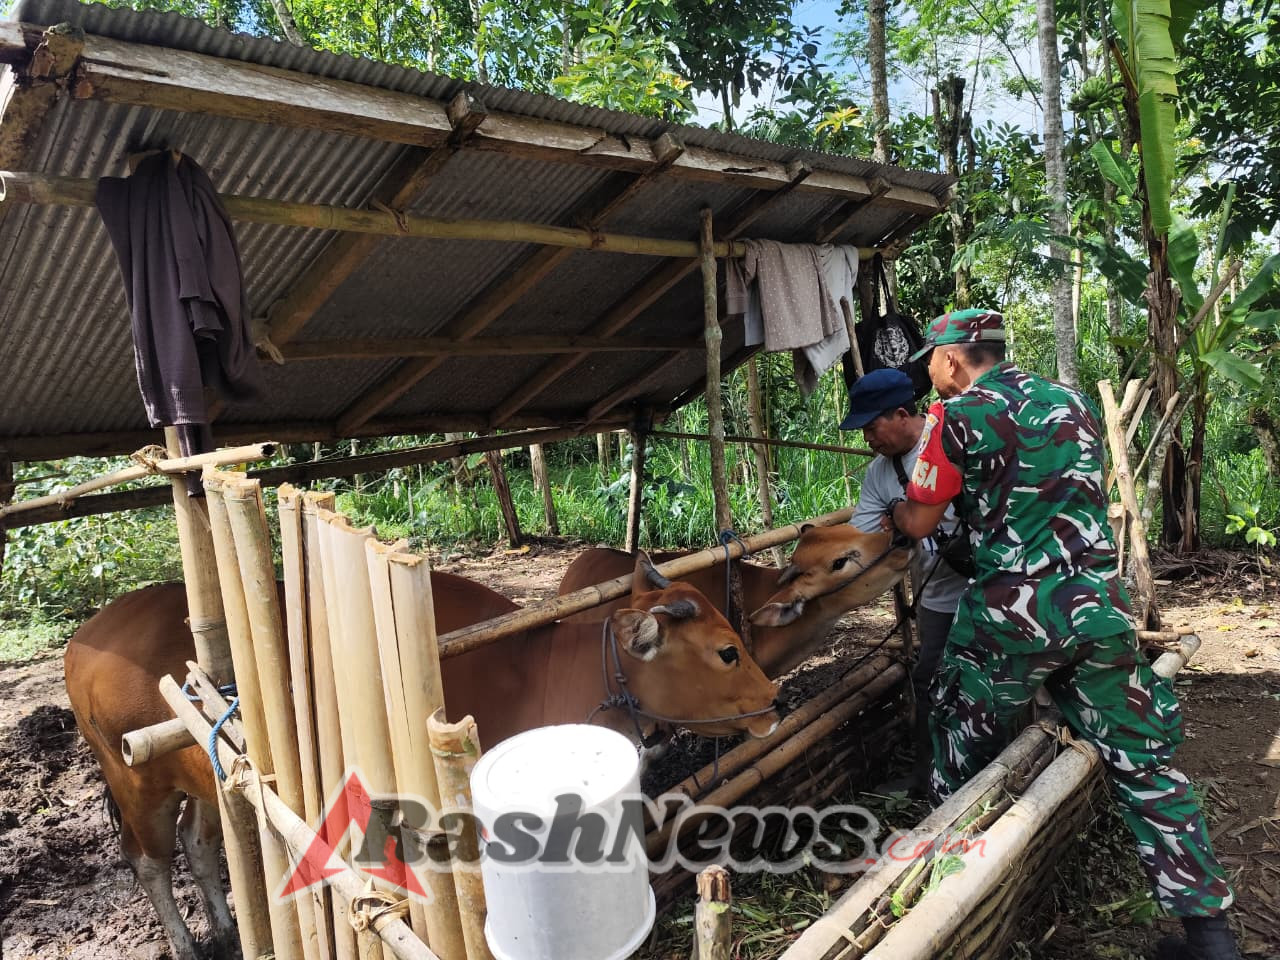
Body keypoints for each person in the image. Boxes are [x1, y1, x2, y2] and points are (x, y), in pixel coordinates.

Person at [888, 308, 1239, 960]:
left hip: (1009, 618)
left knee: (955, 747)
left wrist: (900, 510)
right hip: (1099, 610)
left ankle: (943, 911)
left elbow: (920, 521)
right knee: (1146, 764)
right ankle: (1211, 937)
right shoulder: (1071, 401)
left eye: (931, 362)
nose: (929, 375)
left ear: (954, 358)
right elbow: (1053, 496)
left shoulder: (952, 417)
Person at [839, 368, 968, 794]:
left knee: (989, 681)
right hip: (936, 594)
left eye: (871, 426)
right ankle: (927, 778)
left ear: (900, 414)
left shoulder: (954, 439)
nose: (867, 439)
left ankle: (985, 775)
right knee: (929, 681)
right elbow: (866, 536)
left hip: (989, 590)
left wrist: (899, 517)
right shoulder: (880, 472)